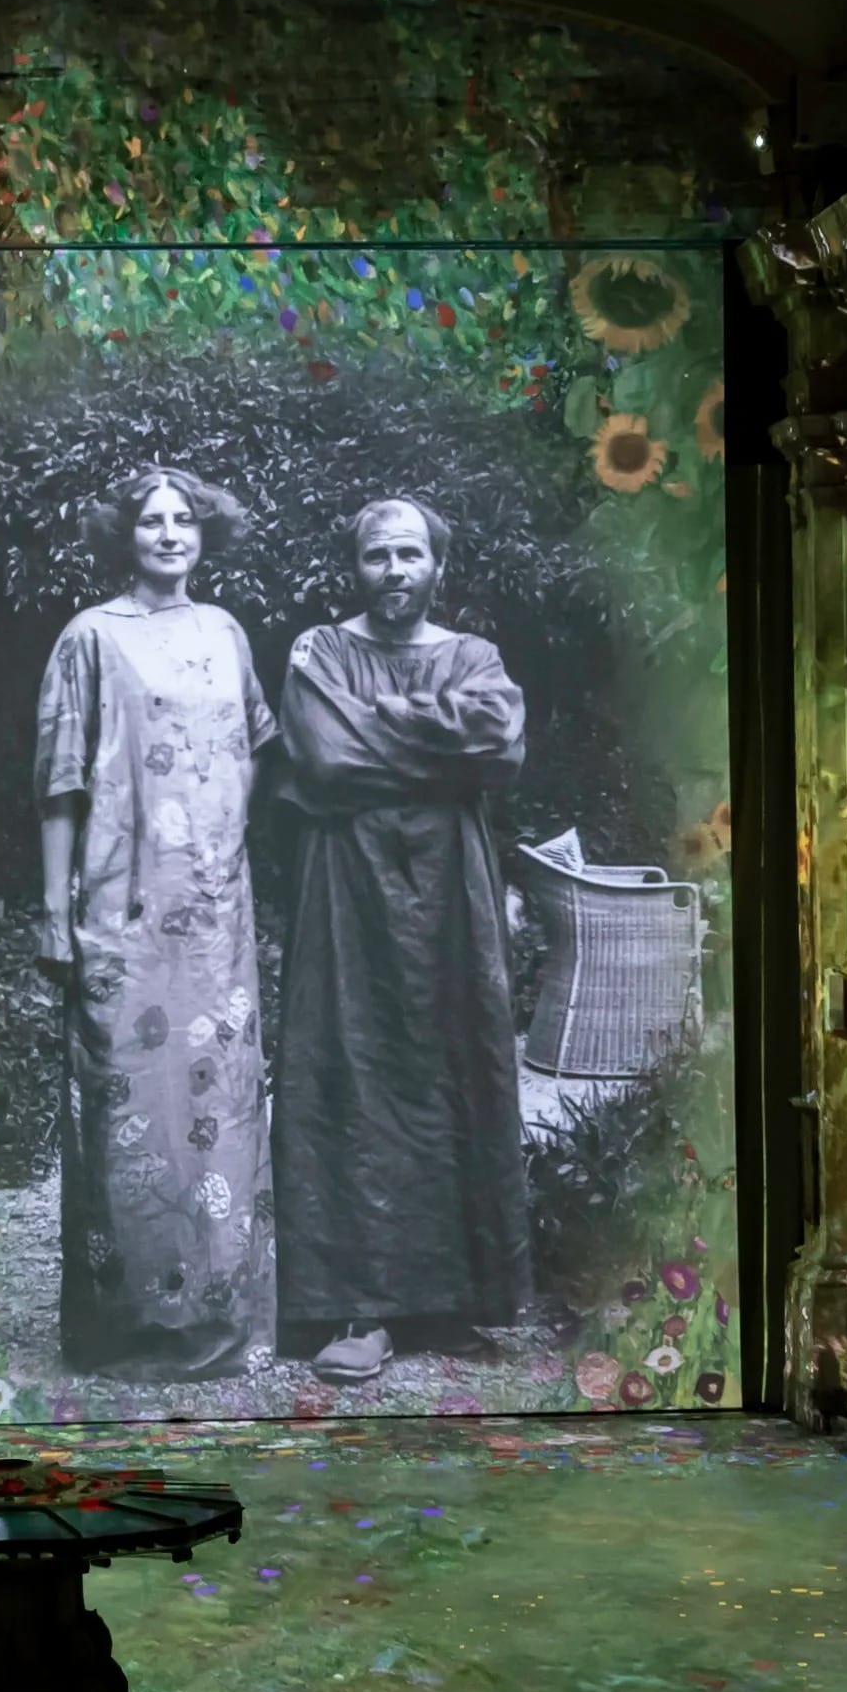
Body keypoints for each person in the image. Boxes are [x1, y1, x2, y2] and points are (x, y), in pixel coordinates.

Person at [269, 495, 528, 1378]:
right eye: (377, 554)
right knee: (351, 1065)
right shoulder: (319, 651)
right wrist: (437, 748)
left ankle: (446, 1299)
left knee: (452, 1060)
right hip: (345, 886)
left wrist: (376, 724)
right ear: (354, 566)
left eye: (409, 554)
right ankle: (360, 1305)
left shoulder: (474, 656)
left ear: (436, 566)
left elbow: (498, 744)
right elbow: (323, 752)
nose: (393, 570)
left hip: (450, 891)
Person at [35, 466, 271, 1379]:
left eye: (184, 520)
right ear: (122, 535)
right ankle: (126, 1326)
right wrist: (54, 911)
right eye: (150, 521)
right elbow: (59, 783)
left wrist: (219, 843)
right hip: (120, 906)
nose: (169, 533)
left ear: (205, 534)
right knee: (126, 1099)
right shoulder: (90, 636)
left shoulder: (225, 631)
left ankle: (216, 1314)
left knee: (215, 1105)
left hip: (212, 915)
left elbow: (250, 749)